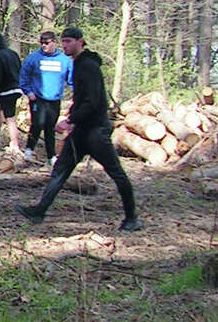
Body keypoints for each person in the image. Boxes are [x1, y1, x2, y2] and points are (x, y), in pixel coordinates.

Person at [15, 26, 141, 232]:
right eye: (63, 41)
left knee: (116, 173)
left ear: (80, 42)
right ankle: (39, 211)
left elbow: (93, 101)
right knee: (60, 171)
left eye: (69, 41)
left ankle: (132, 217)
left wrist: (69, 120)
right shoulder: (78, 64)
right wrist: (73, 120)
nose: (65, 45)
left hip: (96, 131)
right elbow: (81, 99)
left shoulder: (88, 66)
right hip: (81, 132)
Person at [19, 30, 73, 163]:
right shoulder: (33, 58)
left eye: (47, 43)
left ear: (54, 42)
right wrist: (28, 91)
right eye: (42, 43)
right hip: (38, 98)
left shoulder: (64, 61)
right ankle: (29, 149)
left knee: (50, 127)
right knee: (37, 123)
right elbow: (23, 76)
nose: (44, 46)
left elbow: (71, 80)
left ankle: (51, 156)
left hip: (54, 99)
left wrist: (76, 95)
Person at [0, 32, 23, 152]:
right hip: (17, 88)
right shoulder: (13, 54)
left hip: (8, 90)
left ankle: (15, 145)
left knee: (10, 118)